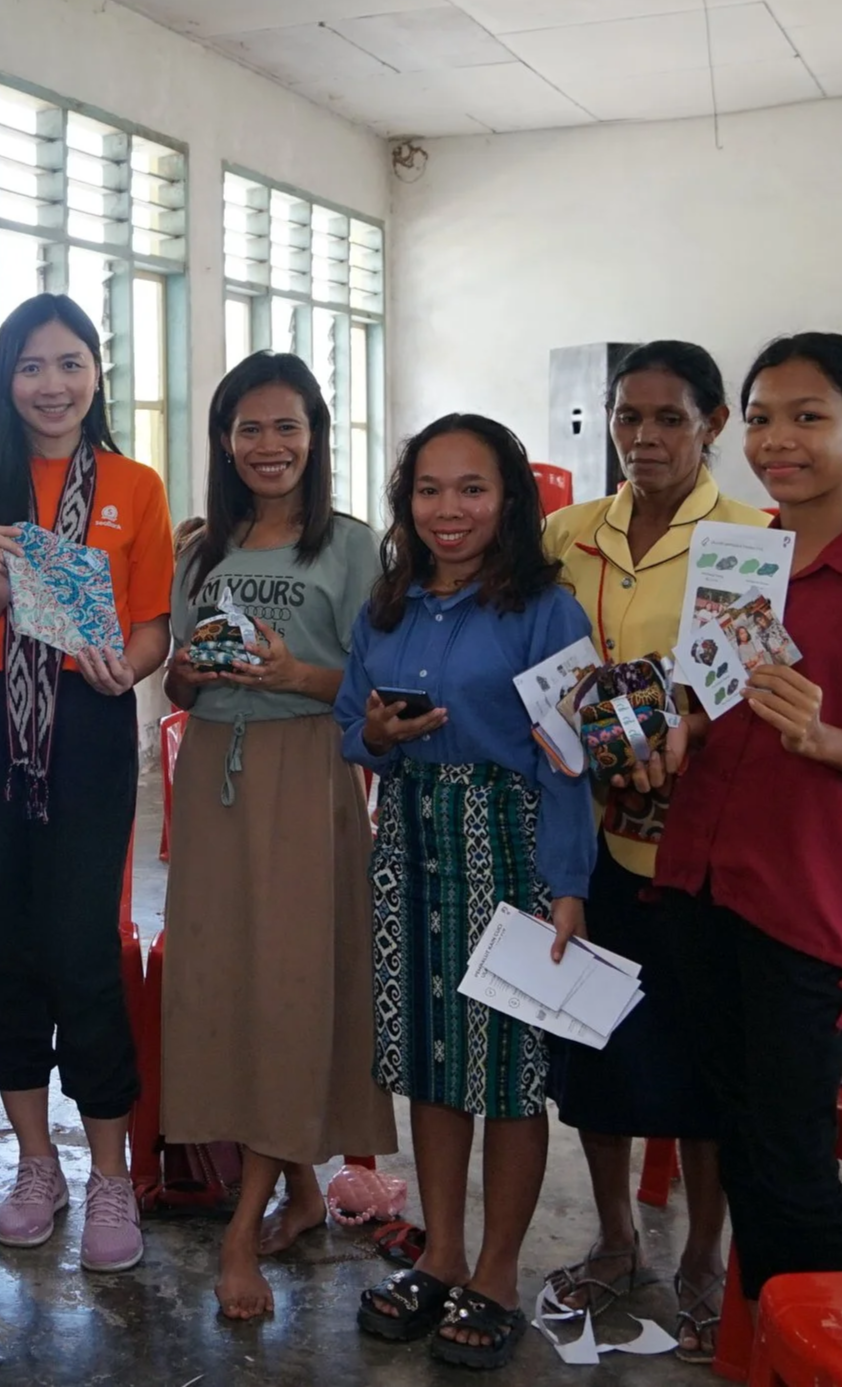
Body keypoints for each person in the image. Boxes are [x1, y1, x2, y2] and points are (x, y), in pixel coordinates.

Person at [657, 333, 842, 1311]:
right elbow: (706, 700)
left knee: (786, 1165)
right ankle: (788, 1346)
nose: (778, 439)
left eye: (807, 417)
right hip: (707, 877)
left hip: (805, 904)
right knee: (740, 1141)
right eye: (764, 417)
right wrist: (664, 729)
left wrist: (822, 736)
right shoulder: (740, 560)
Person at [0, 293, 174, 1273]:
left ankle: (109, 1173)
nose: (52, 384)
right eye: (32, 365)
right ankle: (35, 1163)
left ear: (96, 375)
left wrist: (128, 663)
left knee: (81, 945)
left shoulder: (132, 486)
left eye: (71, 363)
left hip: (86, 721)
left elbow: (147, 624)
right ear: (4, 378)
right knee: (6, 945)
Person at [338, 413, 595, 1370]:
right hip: (409, 842)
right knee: (434, 1063)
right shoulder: (390, 602)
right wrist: (379, 735)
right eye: (430, 489)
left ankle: (495, 1273)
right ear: (407, 501)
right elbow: (348, 725)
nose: (449, 509)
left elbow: (573, 759)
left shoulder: (546, 609)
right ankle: (440, 1255)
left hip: (512, 847)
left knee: (511, 1074)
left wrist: (568, 883)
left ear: (510, 498)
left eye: (472, 488)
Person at [539, 341, 770, 1359]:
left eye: (666, 418)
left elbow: (744, 683)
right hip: (586, 840)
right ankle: (616, 1237)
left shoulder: (749, 539)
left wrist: (683, 736)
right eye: (625, 417)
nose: (641, 438)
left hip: (696, 846)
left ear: (711, 422)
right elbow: (539, 658)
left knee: (699, 1066)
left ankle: (701, 1261)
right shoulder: (564, 533)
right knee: (592, 1048)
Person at [160, 352, 397, 1320]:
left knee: (292, 986)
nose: (268, 446)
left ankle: (238, 1227)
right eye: (247, 428)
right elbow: (176, 683)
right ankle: (297, 1191)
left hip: (305, 773)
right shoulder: (197, 548)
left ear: (314, 435)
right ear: (223, 439)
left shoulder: (349, 545)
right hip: (211, 772)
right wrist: (186, 668)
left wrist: (287, 671)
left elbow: (375, 691)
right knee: (222, 978)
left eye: (285, 427)